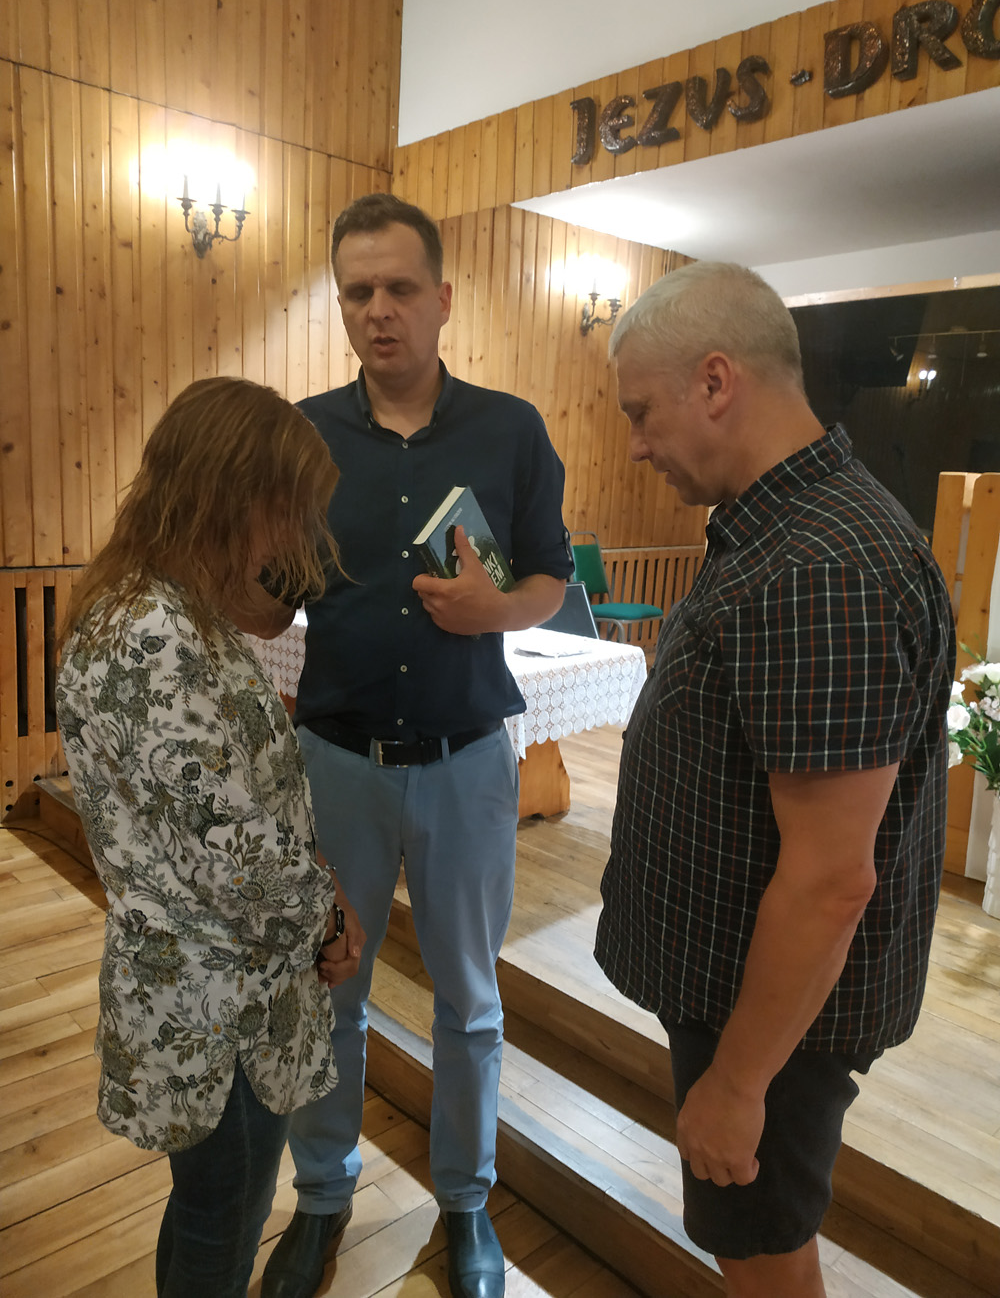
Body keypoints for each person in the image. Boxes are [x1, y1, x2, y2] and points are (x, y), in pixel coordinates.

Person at [593, 262, 955, 1298]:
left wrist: (738, 1082)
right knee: (751, 1243)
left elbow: (831, 878)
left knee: (761, 1258)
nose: (636, 444)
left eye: (641, 412)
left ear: (716, 381)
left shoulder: (821, 567)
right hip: (741, 987)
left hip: (772, 1020)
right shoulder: (779, 528)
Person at [261, 194, 573, 1298]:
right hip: (337, 763)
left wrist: (499, 611)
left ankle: (466, 1203)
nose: (379, 310)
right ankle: (323, 1198)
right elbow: (270, 587)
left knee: (469, 1003)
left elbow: (551, 574)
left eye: (399, 288)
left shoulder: (511, 429)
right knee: (328, 992)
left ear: (443, 299)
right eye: (358, 292)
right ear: (341, 304)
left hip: (467, 762)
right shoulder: (300, 436)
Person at [56, 377, 366, 1298]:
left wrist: (324, 896)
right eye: (289, 510)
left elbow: (236, 803)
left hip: (221, 989)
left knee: (209, 1208)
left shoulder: (164, 603)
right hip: (216, 1001)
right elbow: (233, 859)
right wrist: (329, 920)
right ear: (232, 494)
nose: (296, 535)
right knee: (221, 1221)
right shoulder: (152, 633)